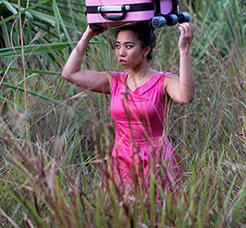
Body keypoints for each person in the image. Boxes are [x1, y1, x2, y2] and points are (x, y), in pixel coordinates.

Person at [61, 22, 194, 195]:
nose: (121, 53)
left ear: (146, 49)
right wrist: (88, 34)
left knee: (156, 215)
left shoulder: (164, 81)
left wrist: (184, 51)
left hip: (156, 160)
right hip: (122, 160)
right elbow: (69, 73)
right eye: (117, 46)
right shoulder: (114, 81)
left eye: (128, 46)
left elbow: (185, 96)